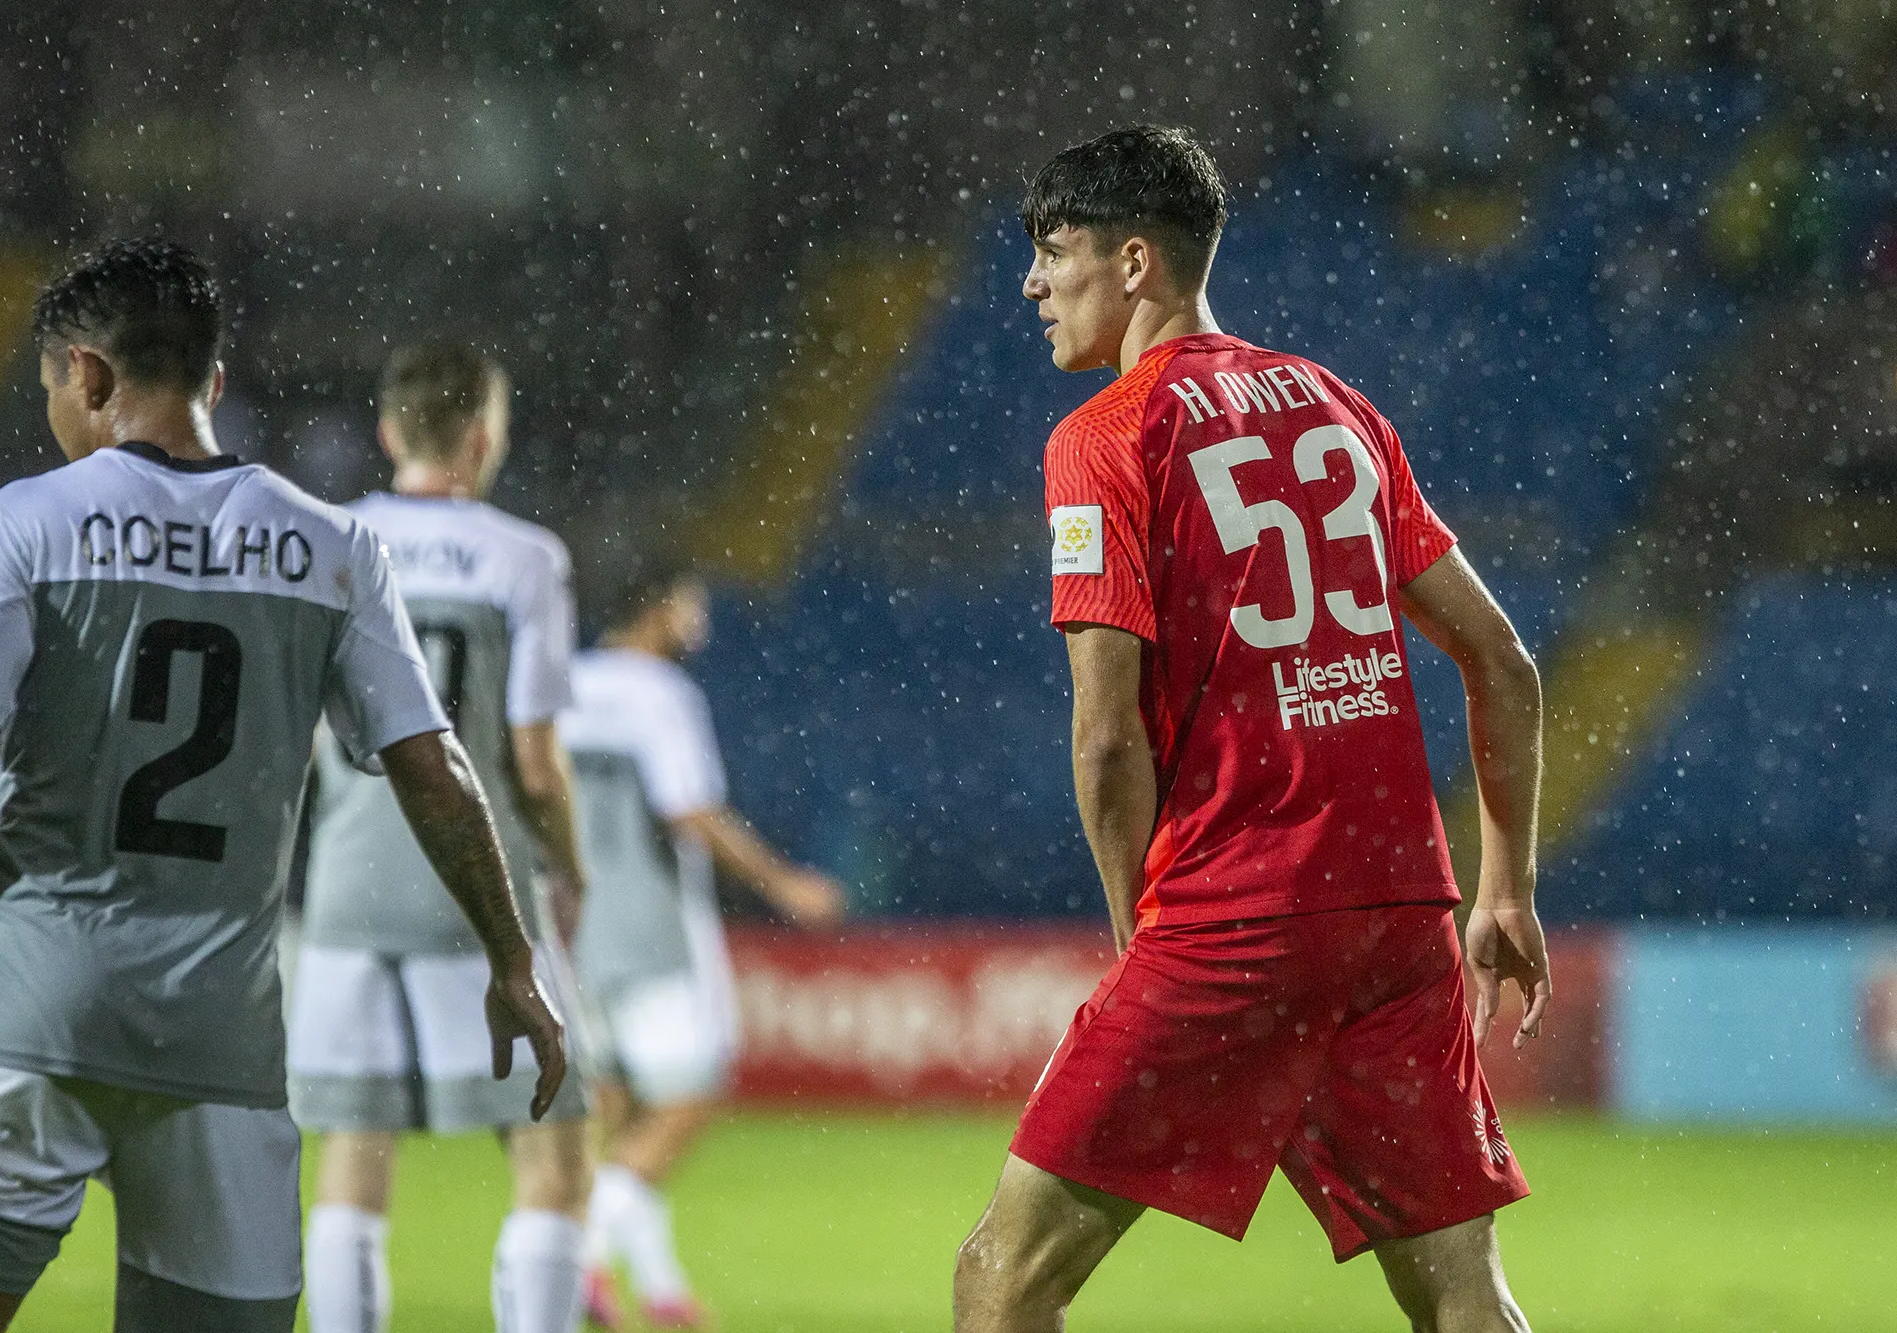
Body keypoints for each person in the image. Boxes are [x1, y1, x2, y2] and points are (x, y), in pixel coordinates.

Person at [0, 239, 565, 1333]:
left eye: (53, 393)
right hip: (218, 1036)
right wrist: (510, 956)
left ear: (90, 377)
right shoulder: (335, 546)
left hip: (36, 1005)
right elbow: (437, 772)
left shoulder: (30, 519)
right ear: (211, 382)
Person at [952, 126, 1551, 1332]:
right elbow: (1505, 664)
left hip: (1234, 914)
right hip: (1396, 916)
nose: (1029, 283)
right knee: (1459, 1300)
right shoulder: (1337, 403)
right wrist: (1505, 892)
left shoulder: (1104, 438)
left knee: (1000, 1280)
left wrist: (1138, 935)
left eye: (1050, 252)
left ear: (1132, 262)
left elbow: (1107, 736)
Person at [287, 339, 595, 1333]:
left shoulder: (325, 541)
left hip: (347, 882)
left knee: (352, 1149)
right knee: (549, 1151)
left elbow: (292, 741)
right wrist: (570, 866)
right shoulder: (524, 557)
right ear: (482, 435)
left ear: (387, 433)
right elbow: (536, 760)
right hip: (475, 883)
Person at [562, 561, 845, 1329]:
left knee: (617, 1110)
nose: (701, 622)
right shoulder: (661, 695)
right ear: (653, 609)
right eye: (690, 606)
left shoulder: (567, 682)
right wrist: (785, 884)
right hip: (652, 925)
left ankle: (658, 1290)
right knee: (689, 1097)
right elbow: (690, 810)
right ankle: (581, 1260)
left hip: (575, 926)